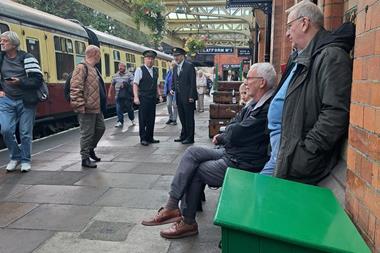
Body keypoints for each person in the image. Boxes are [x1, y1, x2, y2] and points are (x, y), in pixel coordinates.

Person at [141, 63, 275, 239]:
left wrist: (227, 133)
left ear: (262, 82)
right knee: (192, 153)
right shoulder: (255, 104)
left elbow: (235, 131)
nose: (246, 82)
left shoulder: (265, 108)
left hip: (242, 162)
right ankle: (172, 206)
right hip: (234, 153)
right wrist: (229, 132)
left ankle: (188, 222)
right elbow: (234, 123)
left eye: (249, 78)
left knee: (196, 170)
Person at [268, 1, 354, 183]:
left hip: (301, 163)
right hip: (288, 154)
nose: (287, 33)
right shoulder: (302, 57)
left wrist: (305, 153)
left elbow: (334, 113)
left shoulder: (330, 56)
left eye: (290, 26)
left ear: (304, 23)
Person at [0, 31, 43, 172]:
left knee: (25, 132)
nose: (1, 43)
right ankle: (15, 156)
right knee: (5, 129)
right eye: (1, 40)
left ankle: (25, 160)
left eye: (4, 41)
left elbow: (37, 80)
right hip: (6, 99)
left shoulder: (27, 58)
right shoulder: (0, 58)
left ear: (13, 43)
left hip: (25, 100)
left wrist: (20, 82)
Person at [70, 45, 106, 168]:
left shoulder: (94, 69)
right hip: (86, 108)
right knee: (87, 133)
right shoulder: (82, 68)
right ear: (95, 54)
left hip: (96, 107)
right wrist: (80, 105)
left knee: (101, 128)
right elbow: (75, 88)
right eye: (99, 54)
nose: (100, 56)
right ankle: (84, 158)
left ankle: (90, 149)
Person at [133, 50, 163, 146]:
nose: (150, 60)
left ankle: (150, 137)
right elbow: (135, 84)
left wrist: (160, 95)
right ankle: (143, 138)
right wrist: (136, 97)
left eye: (152, 59)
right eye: (148, 58)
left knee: (151, 118)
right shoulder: (140, 70)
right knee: (143, 119)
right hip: (143, 98)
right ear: (144, 59)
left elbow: (157, 85)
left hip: (152, 98)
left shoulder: (155, 70)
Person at [171, 47, 197, 145]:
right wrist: (172, 88)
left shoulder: (189, 66)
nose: (176, 58)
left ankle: (190, 138)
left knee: (189, 118)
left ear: (182, 56)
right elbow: (174, 80)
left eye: (177, 56)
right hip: (178, 97)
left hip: (188, 97)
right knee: (182, 117)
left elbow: (192, 82)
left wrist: (191, 96)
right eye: (174, 56)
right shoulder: (175, 67)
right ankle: (183, 135)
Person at [108, 62, 135, 128]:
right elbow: (112, 85)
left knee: (129, 109)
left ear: (125, 67)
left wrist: (126, 84)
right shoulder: (115, 75)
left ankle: (132, 119)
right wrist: (109, 93)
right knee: (118, 109)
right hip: (118, 96)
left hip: (127, 96)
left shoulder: (129, 75)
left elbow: (133, 83)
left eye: (122, 66)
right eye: (119, 66)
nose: (120, 67)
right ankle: (120, 121)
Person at [164, 60, 177, 125]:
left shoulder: (177, 72)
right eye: (172, 65)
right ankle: (170, 118)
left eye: (174, 65)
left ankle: (174, 119)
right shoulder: (168, 72)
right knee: (168, 105)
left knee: (174, 105)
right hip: (169, 91)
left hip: (175, 92)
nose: (172, 67)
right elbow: (166, 81)